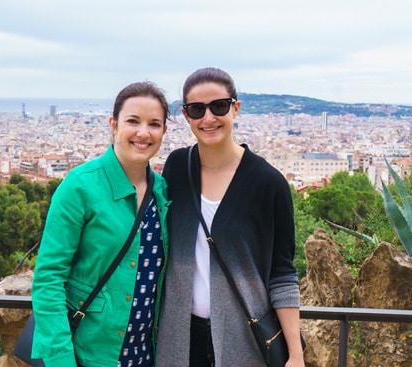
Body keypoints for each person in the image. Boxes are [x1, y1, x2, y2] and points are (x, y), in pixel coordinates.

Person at [155, 67, 305, 367]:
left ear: (235, 108)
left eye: (219, 106)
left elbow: (283, 273)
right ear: (186, 117)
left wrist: (296, 354)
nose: (208, 118)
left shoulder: (268, 183)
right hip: (179, 337)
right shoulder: (176, 167)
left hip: (243, 339)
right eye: (197, 110)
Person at [30, 81, 171, 367]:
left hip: (145, 355)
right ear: (114, 124)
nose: (143, 132)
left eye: (154, 124)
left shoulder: (162, 190)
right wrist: (60, 361)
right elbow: (48, 279)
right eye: (133, 121)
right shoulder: (80, 186)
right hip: (90, 354)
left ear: (164, 131)